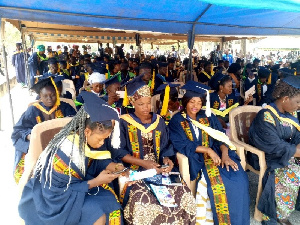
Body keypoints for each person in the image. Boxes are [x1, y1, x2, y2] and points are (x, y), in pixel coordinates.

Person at [19, 91, 125, 225]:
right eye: (100, 139)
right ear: (87, 131)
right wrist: (97, 181)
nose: (102, 143)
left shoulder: (85, 138)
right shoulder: (64, 153)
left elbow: (94, 161)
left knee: (110, 202)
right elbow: (59, 192)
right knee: (98, 211)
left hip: (78, 188)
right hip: (55, 201)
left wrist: (112, 166)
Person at [113, 75, 196, 224]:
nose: (146, 108)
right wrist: (143, 163)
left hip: (159, 170)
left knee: (184, 195)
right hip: (135, 172)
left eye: (148, 103)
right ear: (132, 103)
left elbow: (166, 147)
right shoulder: (124, 122)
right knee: (144, 203)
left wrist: (167, 160)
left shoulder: (159, 121)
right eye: (141, 104)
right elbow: (119, 152)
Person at [168, 80, 250, 225]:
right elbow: (181, 143)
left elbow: (221, 137)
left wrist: (224, 155)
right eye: (192, 102)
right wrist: (207, 150)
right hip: (198, 158)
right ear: (186, 101)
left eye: (199, 102)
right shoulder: (177, 120)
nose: (195, 106)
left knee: (239, 178)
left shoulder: (208, 116)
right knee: (218, 185)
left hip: (219, 154)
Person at [248, 76, 300, 225]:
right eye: (297, 102)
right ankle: (279, 215)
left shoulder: (291, 114)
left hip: (287, 152)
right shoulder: (266, 116)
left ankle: (291, 206)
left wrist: (296, 148)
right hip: (266, 157)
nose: (299, 106)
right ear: (284, 99)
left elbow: (297, 135)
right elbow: (273, 146)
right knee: (292, 171)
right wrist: (295, 152)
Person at [11, 77, 77, 184]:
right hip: (39, 147)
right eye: (45, 96)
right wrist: (31, 136)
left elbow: (75, 122)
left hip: (62, 146)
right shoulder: (33, 110)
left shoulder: (64, 106)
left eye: (52, 95)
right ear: (40, 97)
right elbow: (19, 130)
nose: (50, 98)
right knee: (24, 174)